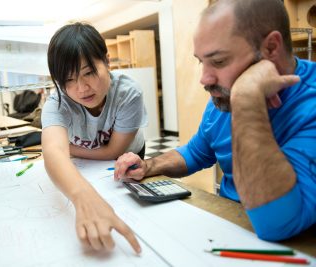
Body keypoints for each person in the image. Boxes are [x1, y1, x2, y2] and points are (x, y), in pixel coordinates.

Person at [115, 0, 316, 242]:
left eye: (219, 61)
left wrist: (246, 98)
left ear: (271, 48)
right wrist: (150, 166)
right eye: (202, 61)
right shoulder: (224, 99)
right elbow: (197, 152)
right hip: (230, 227)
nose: (205, 79)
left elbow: (276, 223)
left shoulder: (303, 101)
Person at [41, 22, 147, 253]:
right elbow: (52, 152)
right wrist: (83, 197)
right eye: (68, 80)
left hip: (127, 153)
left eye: (88, 72)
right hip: (89, 156)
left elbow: (113, 151)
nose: (81, 88)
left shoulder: (128, 93)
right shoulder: (57, 102)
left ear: (107, 61)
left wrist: (69, 149)